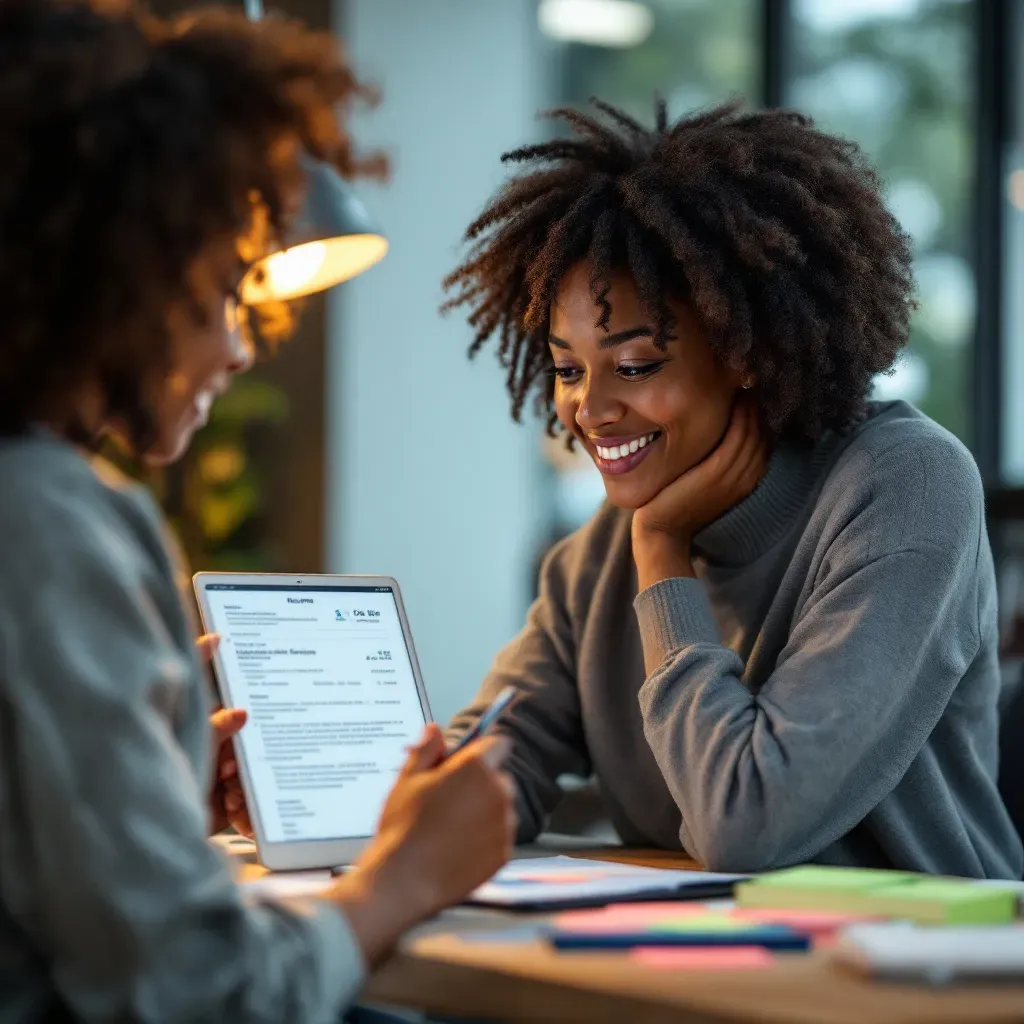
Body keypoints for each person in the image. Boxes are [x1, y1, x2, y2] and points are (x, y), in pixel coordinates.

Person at [0, 2, 513, 1022]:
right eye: (229, 287)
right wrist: (404, 876)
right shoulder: (47, 521)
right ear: (122, 268)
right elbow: (199, 992)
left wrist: (146, 784)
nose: (241, 349)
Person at [441, 97, 1024, 880]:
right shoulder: (591, 563)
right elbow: (493, 766)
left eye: (636, 366)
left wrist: (661, 554)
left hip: (918, 975)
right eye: (569, 369)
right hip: (693, 972)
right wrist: (342, 793)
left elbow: (746, 824)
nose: (590, 409)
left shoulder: (905, 487)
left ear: (744, 349)